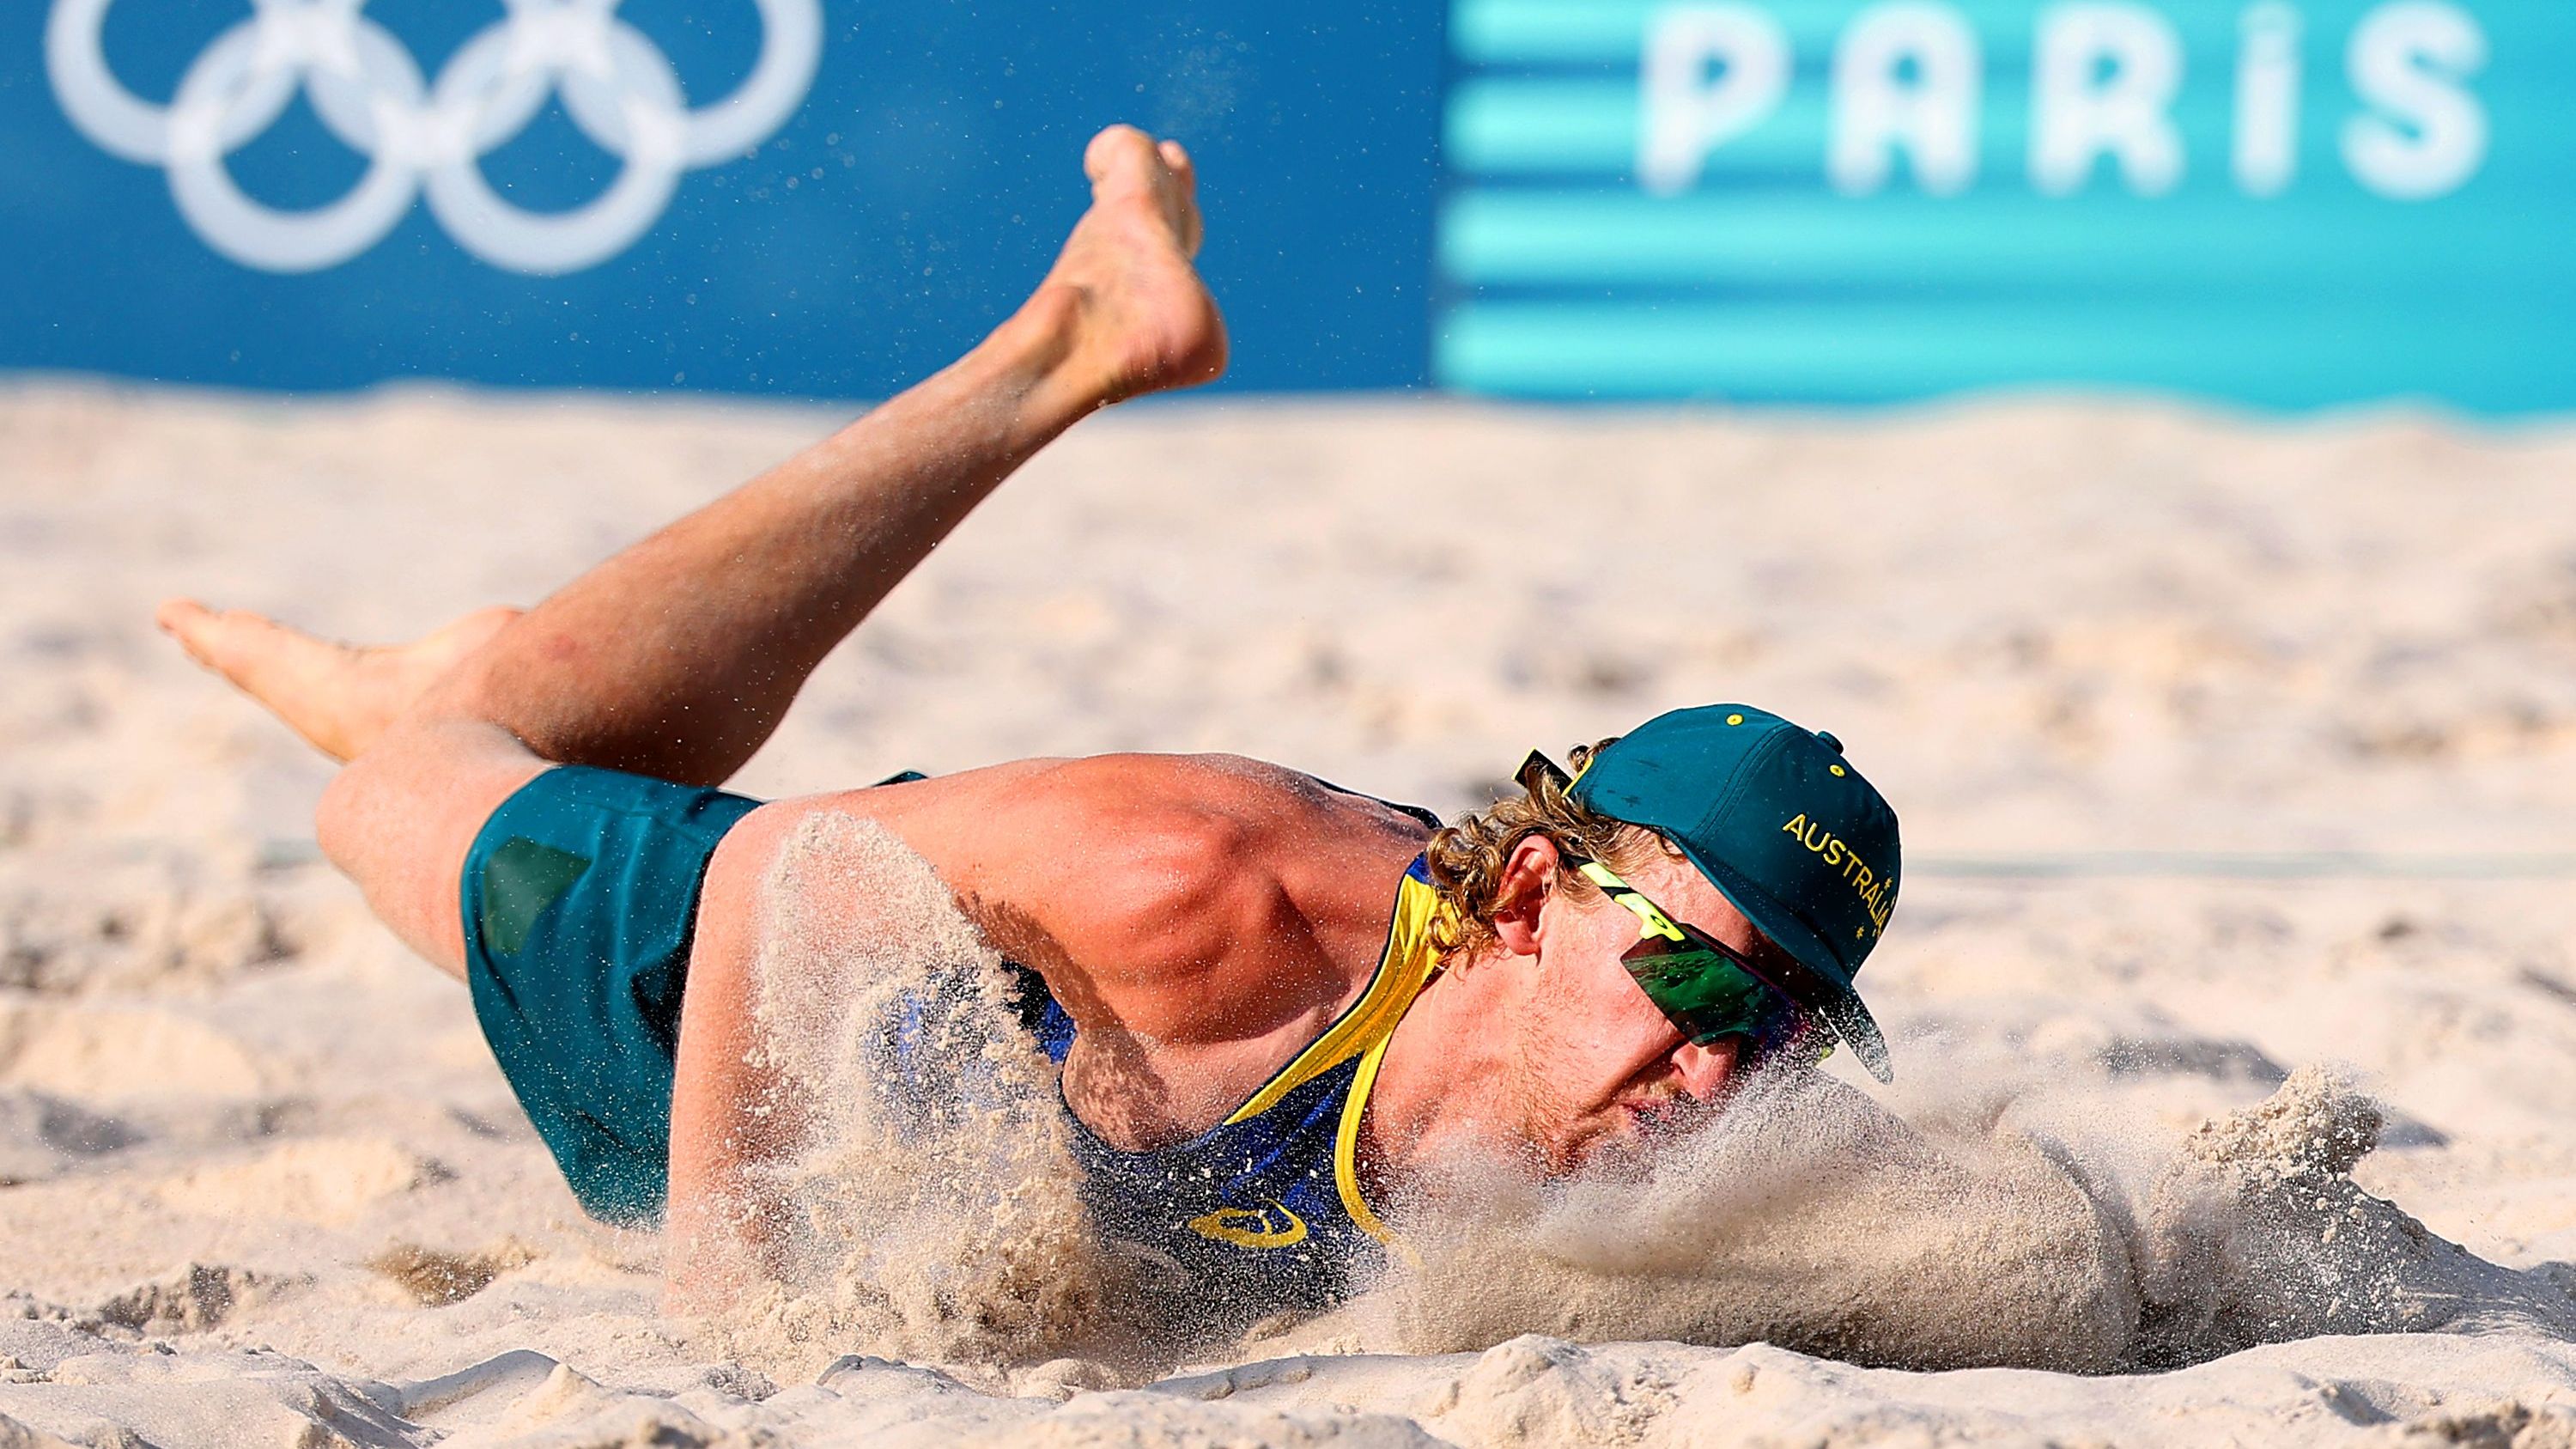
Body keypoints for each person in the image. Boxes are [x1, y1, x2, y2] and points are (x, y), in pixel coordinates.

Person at [155, 125, 1904, 1324]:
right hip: (728, 1006)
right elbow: (786, 870)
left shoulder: (1681, 1124)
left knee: (480, 711)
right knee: (399, 779)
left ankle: (1076, 338)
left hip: (926, 1032)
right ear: (1525, 897)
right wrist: (725, 1314)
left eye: (1791, 1028)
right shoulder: (1210, 887)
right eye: (1695, 980)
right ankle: (1055, 347)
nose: (1724, 1065)